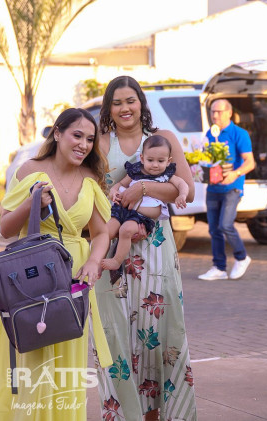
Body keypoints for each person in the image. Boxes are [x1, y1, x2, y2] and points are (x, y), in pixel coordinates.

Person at [0, 108, 112, 420]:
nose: (83, 145)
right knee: (29, 359)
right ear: (57, 133)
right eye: (77, 135)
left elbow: (101, 233)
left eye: (89, 139)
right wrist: (31, 203)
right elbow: (6, 229)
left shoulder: (90, 178)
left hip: (73, 283)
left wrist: (94, 261)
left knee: (65, 366)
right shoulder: (30, 170)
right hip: (31, 279)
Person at [92, 75, 197, 421]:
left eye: (130, 101)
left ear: (141, 103)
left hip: (155, 249)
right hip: (113, 250)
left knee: (157, 334)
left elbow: (187, 190)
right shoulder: (100, 143)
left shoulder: (162, 139)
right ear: (108, 108)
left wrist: (145, 188)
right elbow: (91, 192)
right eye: (117, 102)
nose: (125, 108)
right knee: (116, 336)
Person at [102, 135, 188, 271]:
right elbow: (121, 184)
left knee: (126, 230)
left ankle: (116, 261)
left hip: (141, 217)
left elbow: (182, 184)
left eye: (160, 161)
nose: (155, 165)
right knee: (106, 231)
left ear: (168, 161)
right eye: (150, 160)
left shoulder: (166, 175)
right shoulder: (135, 170)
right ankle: (97, 260)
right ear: (142, 158)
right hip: (122, 208)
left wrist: (182, 195)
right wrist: (113, 191)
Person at [198, 99, 255, 281]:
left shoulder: (239, 134)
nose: (215, 115)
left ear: (229, 113)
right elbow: (207, 159)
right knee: (214, 229)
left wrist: (235, 174)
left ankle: (242, 257)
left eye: (219, 112)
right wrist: (199, 169)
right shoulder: (210, 133)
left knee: (225, 225)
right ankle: (219, 268)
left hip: (232, 187)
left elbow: (250, 162)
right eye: (212, 112)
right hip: (213, 188)